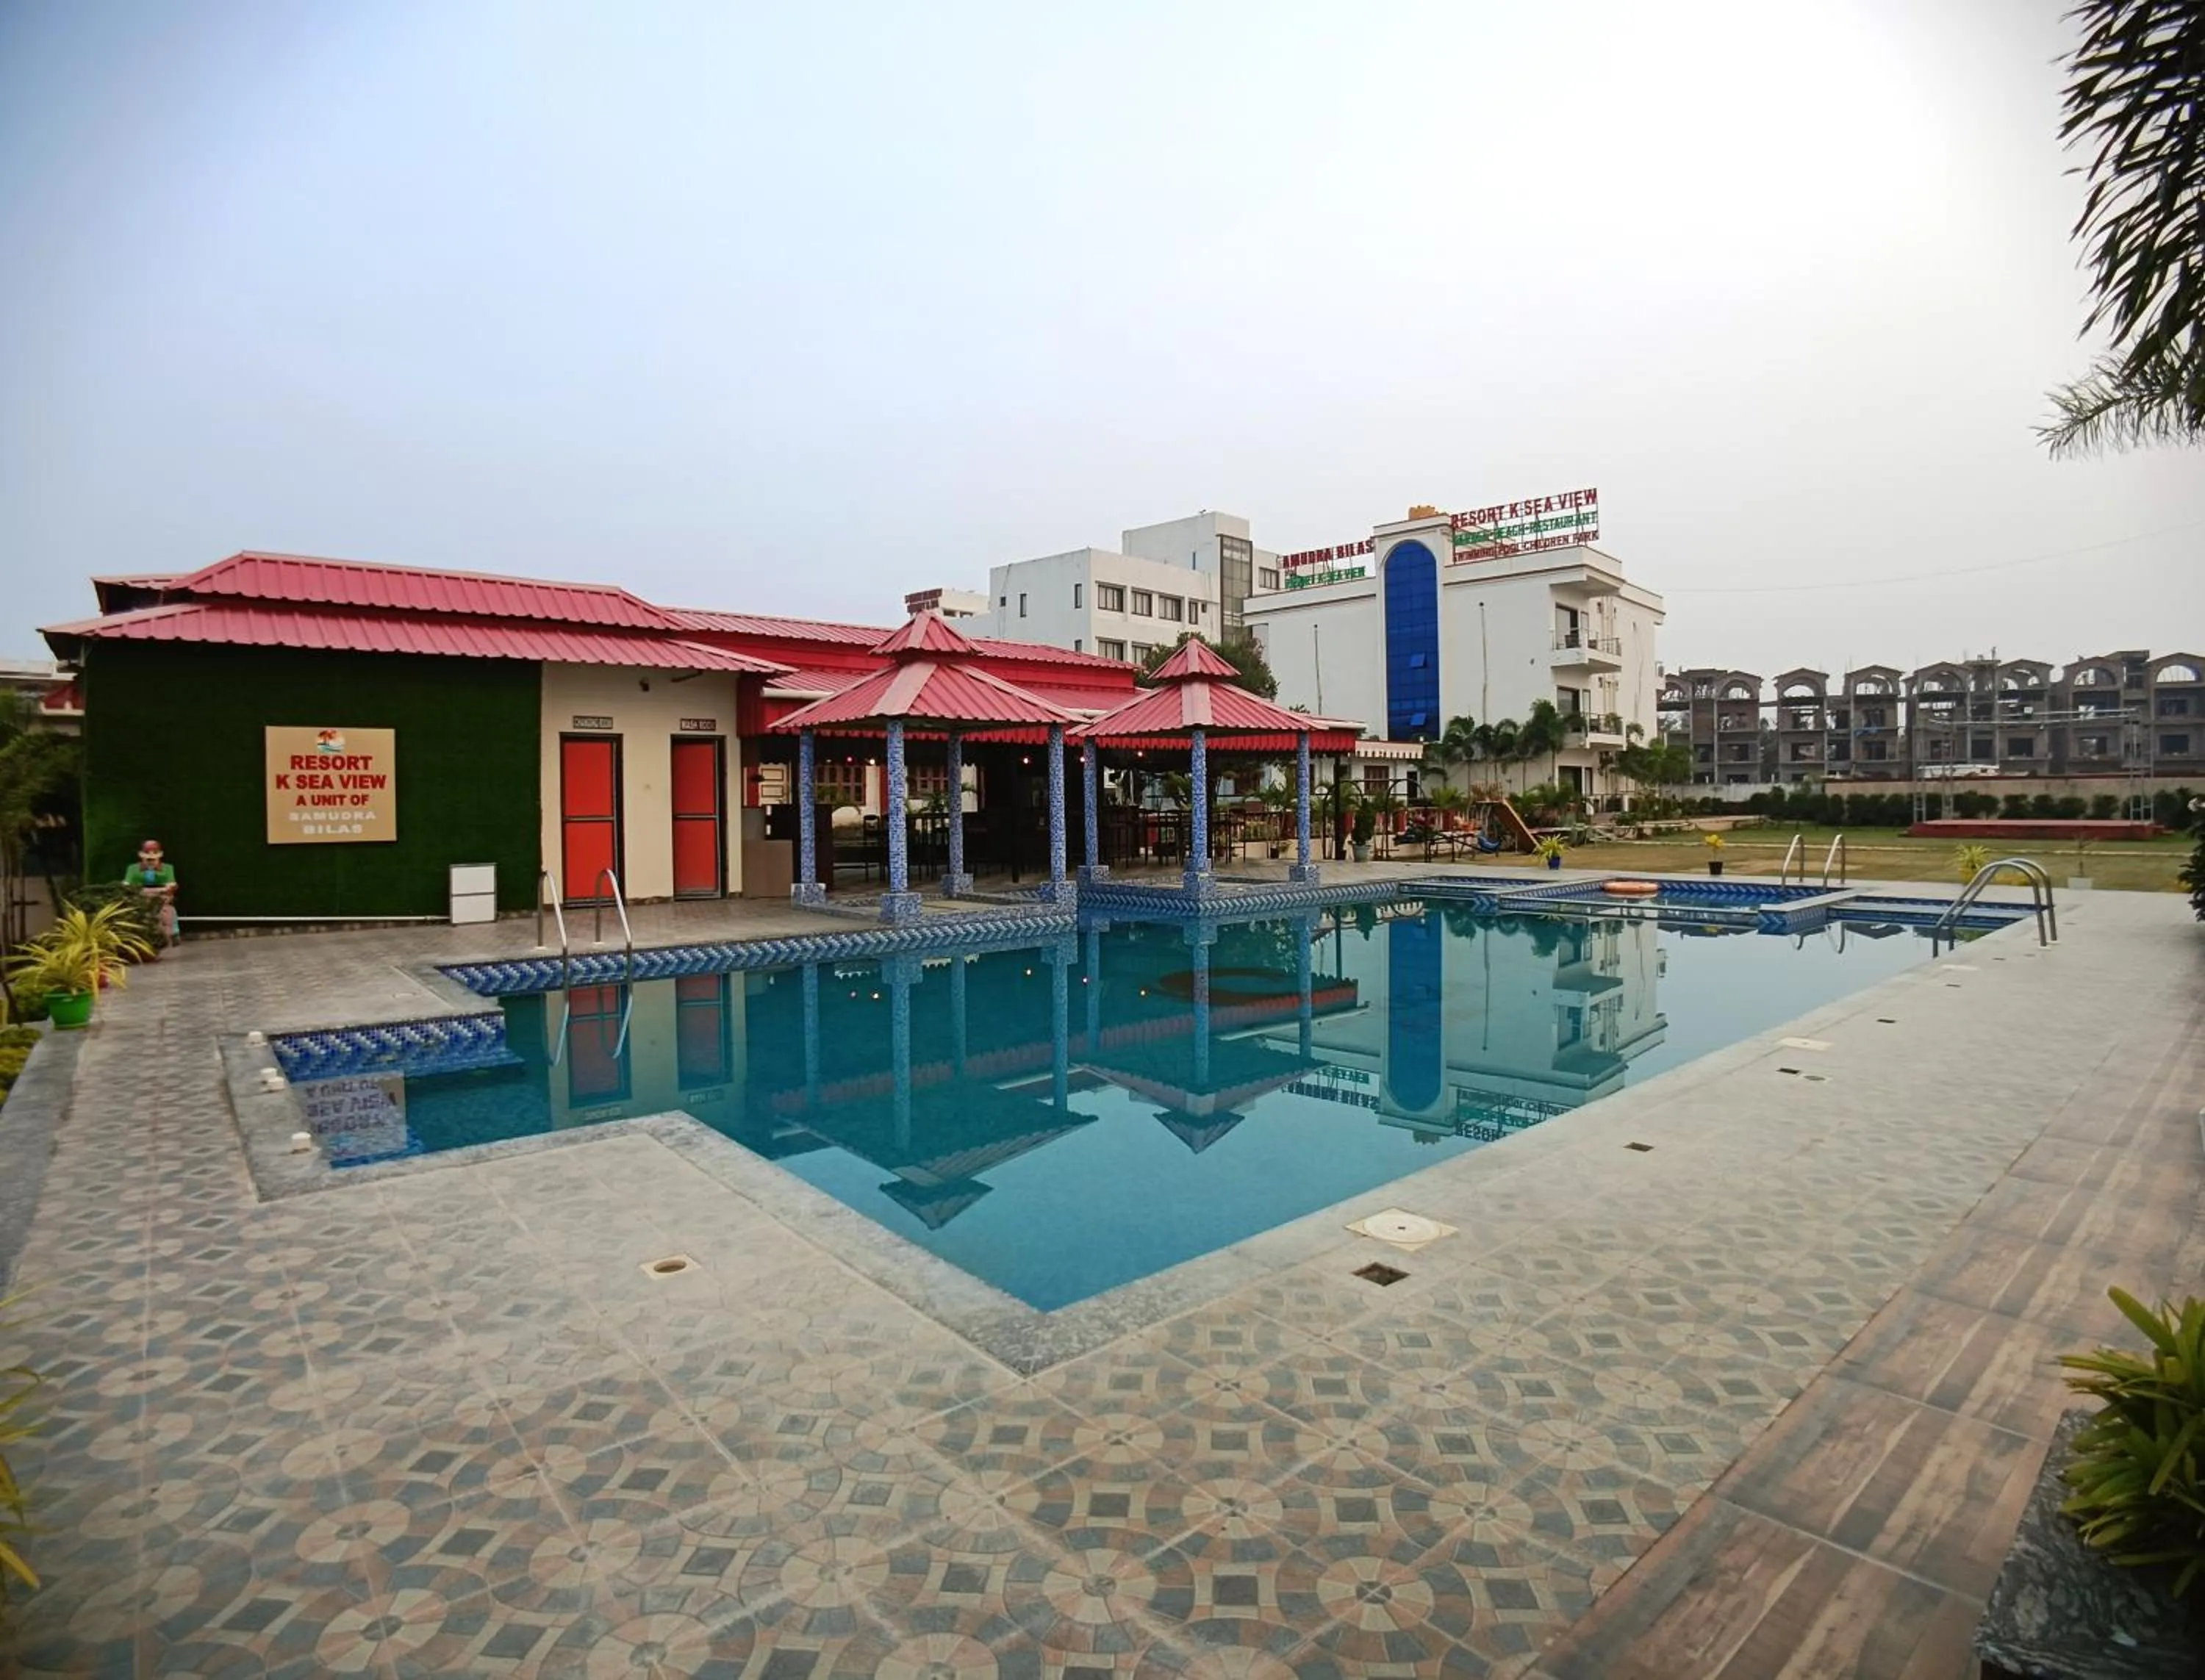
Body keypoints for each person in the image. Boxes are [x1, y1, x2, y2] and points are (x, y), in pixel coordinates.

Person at [126, 839, 179, 948]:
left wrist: (164, 891)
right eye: (147, 852)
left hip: (161, 899)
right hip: (140, 899)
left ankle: (171, 935)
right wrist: (159, 890)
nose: (151, 857)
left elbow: (171, 886)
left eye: (155, 852)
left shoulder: (168, 868)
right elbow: (127, 886)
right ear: (141, 854)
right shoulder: (133, 869)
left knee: (167, 911)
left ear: (161, 854)